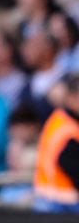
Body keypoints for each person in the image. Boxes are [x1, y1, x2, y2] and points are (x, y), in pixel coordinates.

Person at [33, 73, 79, 212]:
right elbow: (72, 167)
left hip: (51, 199)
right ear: (71, 97)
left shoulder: (61, 118)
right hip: (62, 203)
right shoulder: (68, 129)